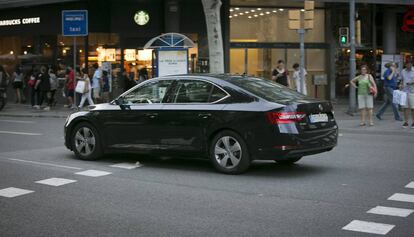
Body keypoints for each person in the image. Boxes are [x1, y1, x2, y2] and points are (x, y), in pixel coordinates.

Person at [400, 61, 414, 128]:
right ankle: (406, 122)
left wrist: (412, 82)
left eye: (410, 64)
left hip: (412, 91)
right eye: (407, 64)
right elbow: (402, 80)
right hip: (404, 91)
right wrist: (400, 85)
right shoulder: (403, 71)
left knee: (413, 108)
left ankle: (413, 122)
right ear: (405, 65)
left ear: (411, 64)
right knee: (405, 108)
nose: (409, 65)